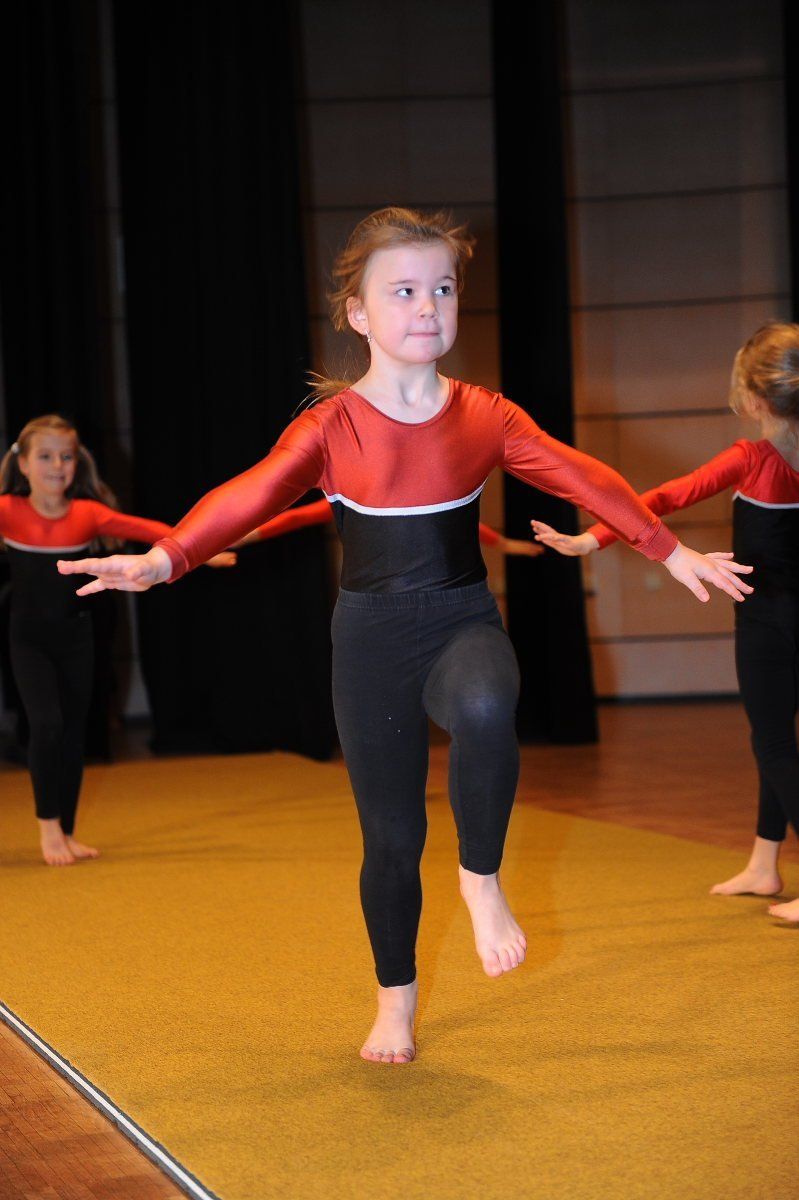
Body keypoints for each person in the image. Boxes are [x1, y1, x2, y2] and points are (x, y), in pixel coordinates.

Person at [58, 208, 752, 1063]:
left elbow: (581, 476)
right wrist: (165, 559)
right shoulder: (331, 426)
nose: (427, 306)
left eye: (443, 289)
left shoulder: (485, 414)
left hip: (461, 618)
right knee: (391, 839)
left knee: (488, 703)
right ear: (357, 312)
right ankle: (396, 1002)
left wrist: (667, 549)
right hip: (372, 642)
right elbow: (251, 494)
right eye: (404, 291)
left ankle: (481, 878)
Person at [531, 321, 799, 924]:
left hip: (766, 621)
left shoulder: (751, 458)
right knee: (777, 735)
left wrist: (591, 539)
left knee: (775, 742)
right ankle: (764, 862)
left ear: (755, 399)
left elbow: (663, 498)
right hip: (782, 617)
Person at [0, 414, 233, 867]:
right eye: (45, 456)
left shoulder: (88, 514)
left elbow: (152, 531)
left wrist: (202, 551)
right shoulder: (9, 510)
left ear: (78, 462)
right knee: (46, 724)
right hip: (28, 640)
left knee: (74, 731)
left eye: (66, 456)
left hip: (78, 638)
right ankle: (49, 828)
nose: (57, 466)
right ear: (23, 463)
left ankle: (67, 832)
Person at [244, 493, 542, 558]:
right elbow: (296, 518)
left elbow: (456, 523)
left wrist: (504, 544)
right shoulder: (348, 498)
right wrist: (238, 537)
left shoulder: (410, 493)